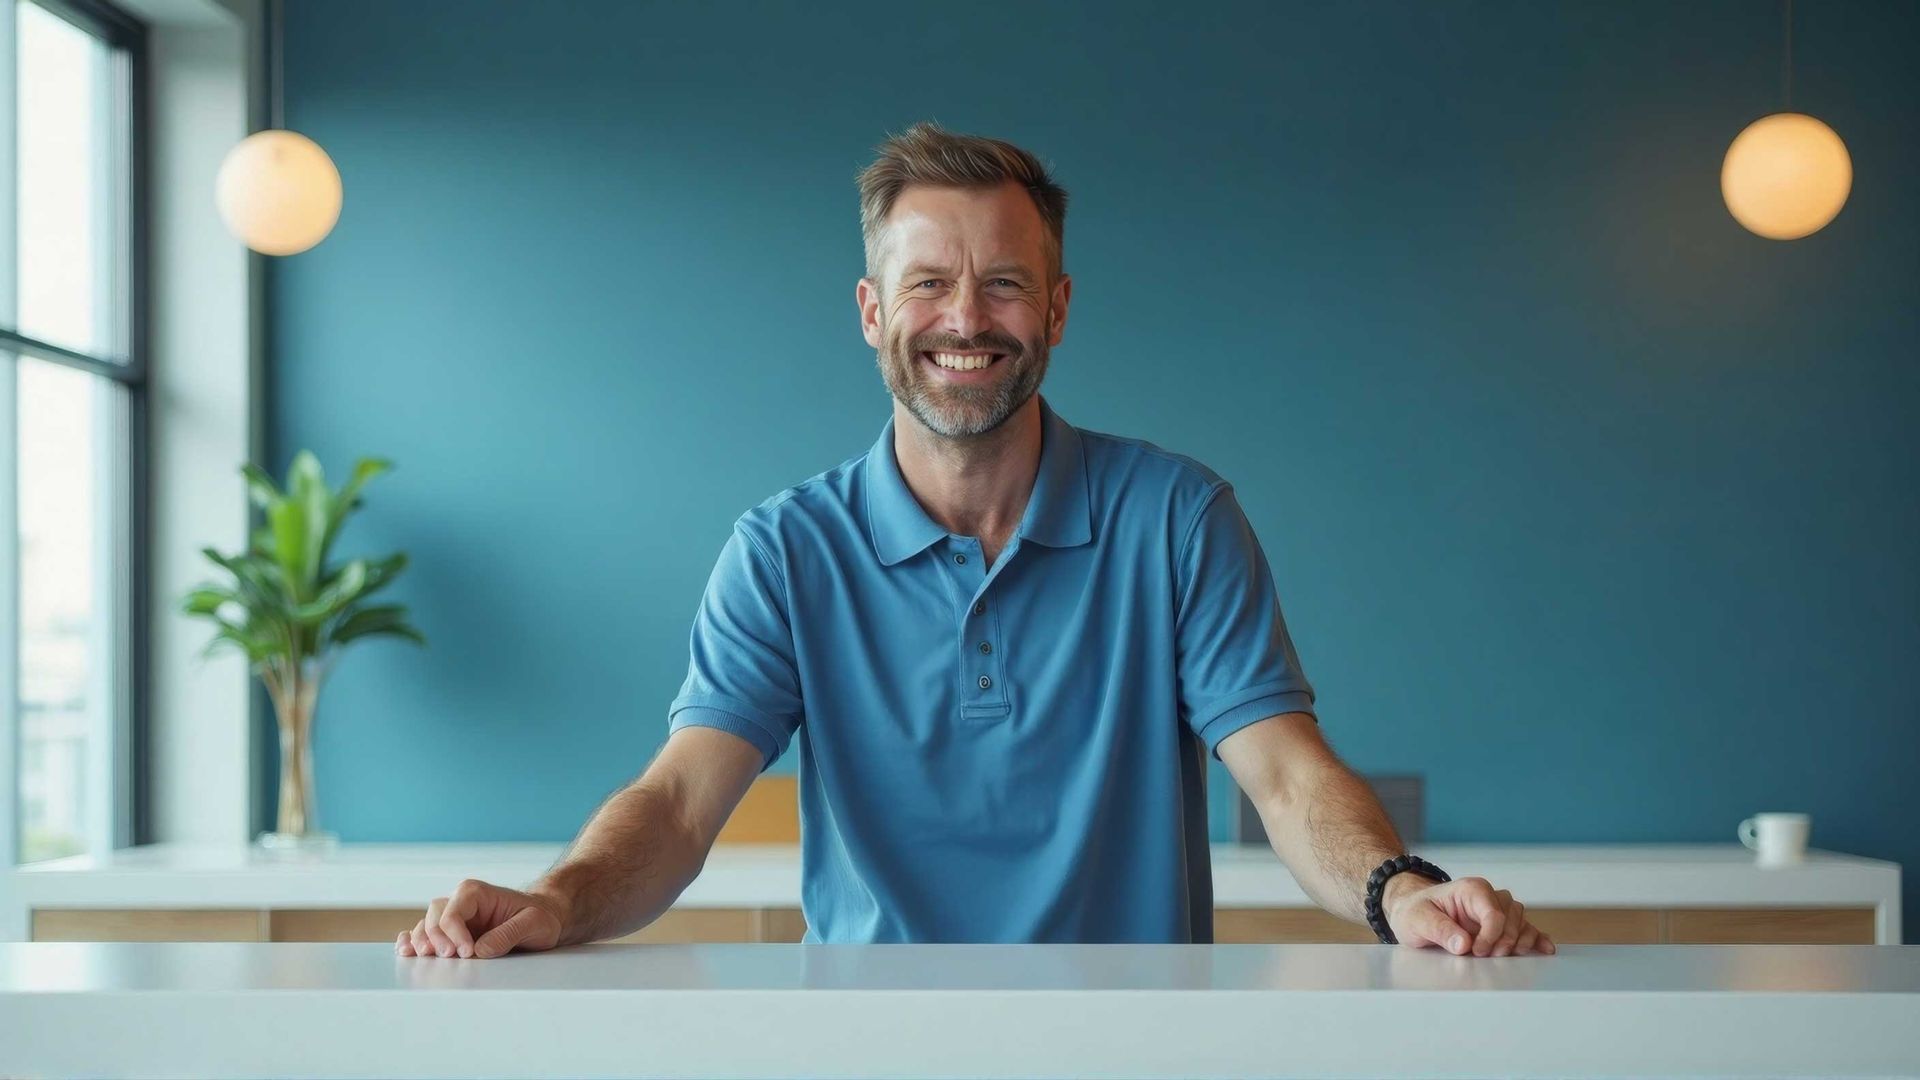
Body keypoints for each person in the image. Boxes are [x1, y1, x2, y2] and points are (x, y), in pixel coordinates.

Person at [400, 121, 1555, 960]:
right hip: (870, 1046)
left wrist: (1399, 889)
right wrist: (559, 899)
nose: (965, 319)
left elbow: (1288, 776)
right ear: (872, 313)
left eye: (1004, 283)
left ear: (1056, 309)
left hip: (1134, 1046)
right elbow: (678, 804)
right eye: (929, 284)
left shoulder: (1177, 519)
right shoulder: (786, 553)